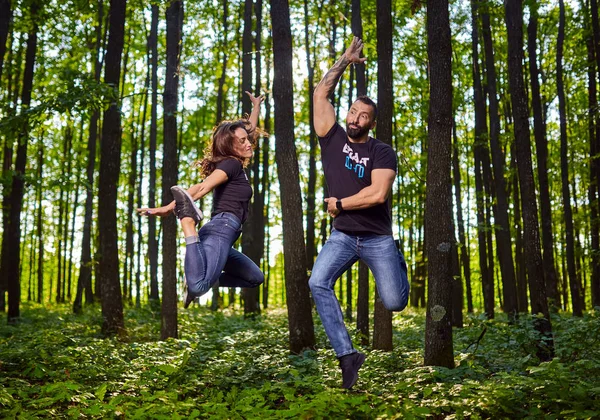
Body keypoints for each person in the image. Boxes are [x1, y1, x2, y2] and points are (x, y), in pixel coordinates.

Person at [309, 37, 410, 389]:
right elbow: (320, 94)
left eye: (363, 116)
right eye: (353, 112)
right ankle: (347, 356)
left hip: (378, 239)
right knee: (317, 282)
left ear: (371, 122)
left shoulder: (382, 152)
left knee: (395, 302)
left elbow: (378, 194)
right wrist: (344, 61)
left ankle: (399, 259)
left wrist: (339, 204)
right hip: (342, 237)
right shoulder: (331, 137)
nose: (355, 118)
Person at [137, 92, 265, 308]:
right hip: (222, 228)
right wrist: (169, 209)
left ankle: (202, 274)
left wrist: (256, 107)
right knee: (198, 288)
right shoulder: (231, 165)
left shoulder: (236, 164)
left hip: (226, 234)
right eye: (242, 141)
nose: (249, 144)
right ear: (232, 146)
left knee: (255, 278)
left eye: (247, 140)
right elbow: (202, 187)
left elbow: (249, 131)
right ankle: (188, 225)